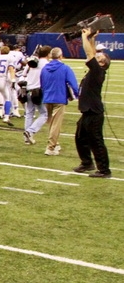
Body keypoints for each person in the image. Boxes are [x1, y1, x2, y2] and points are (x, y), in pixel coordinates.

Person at [73, 28, 111, 178]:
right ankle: (87, 163)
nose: (96, 57)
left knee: (96, 141)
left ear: (101, 63)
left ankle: (104, 170)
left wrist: (84, 37)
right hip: (87, 111)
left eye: (99, 58)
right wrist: (92, 38)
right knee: (80, 137)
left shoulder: (97, 71)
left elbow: (90, 54)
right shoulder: (96, 70)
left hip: (94, 112)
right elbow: (93, 54)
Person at [40, 47, 79, 156]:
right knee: (56, 124)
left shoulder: (45, 68)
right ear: (60, 56)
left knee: (51, 123)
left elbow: (42, 83)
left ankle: (55, 143)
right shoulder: (65, 68)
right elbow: (73, 84)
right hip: (59, 98)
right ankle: (50, 147)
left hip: (47, 98)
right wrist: (77, 95)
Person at [22, 46, 50, 145]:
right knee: (44, 114)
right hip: (38, 90)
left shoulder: (31, 62)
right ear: (48, 54)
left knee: (29, 113)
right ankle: (30, 132)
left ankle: (27, 138)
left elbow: (24, 74)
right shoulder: (46, 64)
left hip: (28, 88)